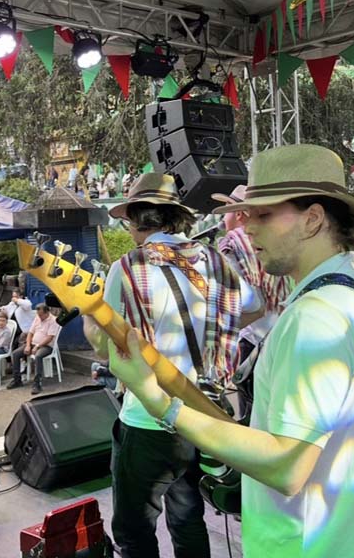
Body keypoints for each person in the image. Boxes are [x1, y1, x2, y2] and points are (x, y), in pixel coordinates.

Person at [104, 145, 354, 558]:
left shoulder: (313, 319)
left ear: (313, 219)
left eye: (263, 215)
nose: (247, 227)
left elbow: (286, 468)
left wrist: (161, 404)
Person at [80, 172, 258, 558]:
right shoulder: (212, 259)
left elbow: (105, 347)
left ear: (136, 220)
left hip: (148, 418)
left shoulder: (128, 267)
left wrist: (89, 317)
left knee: (134, 528)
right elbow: (255, 306)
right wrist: (216, 327)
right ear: (175, 217)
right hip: (204, 412)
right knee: (188, 517)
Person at [212, 184, 293, 416]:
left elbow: (248, 300)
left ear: (238, 213)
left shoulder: (231, 243)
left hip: (254, 341)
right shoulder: (276, 240)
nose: (223, 219)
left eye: (226, 210)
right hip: (282, 331)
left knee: (254, 414)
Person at [6, 303, 60, 395]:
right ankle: (17, 380)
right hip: (33, 343)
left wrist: (37, 346)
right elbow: (30, 333)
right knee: (16, 354)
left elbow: (49, 338)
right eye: (38, 315)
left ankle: (37, 383)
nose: (40, 317)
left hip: (46, 346)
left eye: (41, 315)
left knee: (38, 356)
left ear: (47, 312)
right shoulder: (37, 318)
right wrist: (27, 345)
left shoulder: (53, 320)